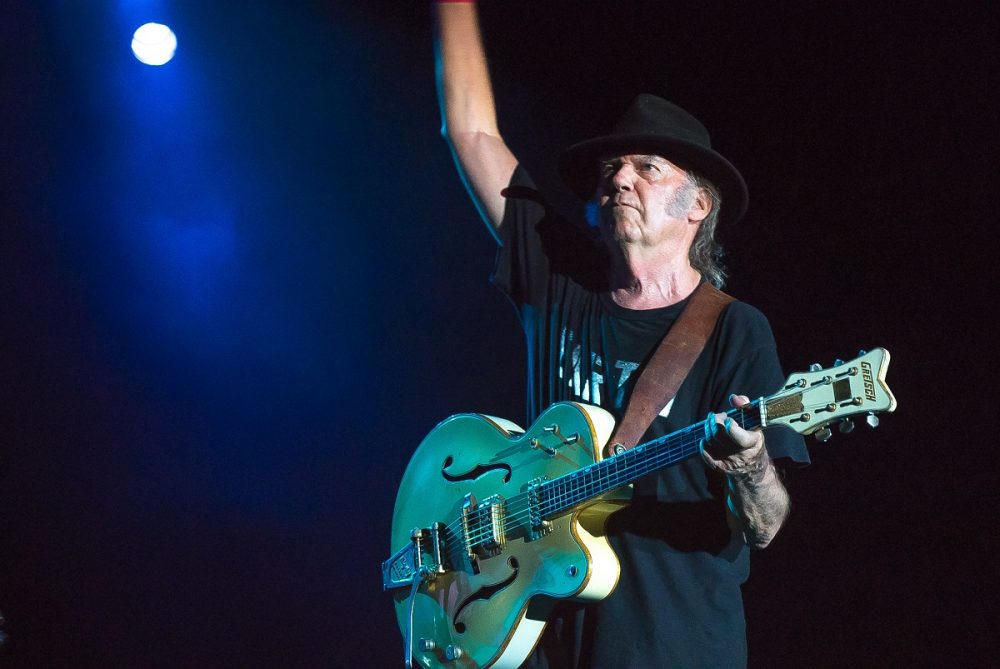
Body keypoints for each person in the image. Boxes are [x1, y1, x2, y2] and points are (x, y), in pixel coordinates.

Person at [433, 2, 810, 667]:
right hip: (550, 646)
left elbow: (766, 523)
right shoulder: (561, 281)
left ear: (698, 206)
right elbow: (471, 131)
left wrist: (750, 461)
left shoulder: (734, 330)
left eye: (647, 167)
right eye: (613, 170)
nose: (620, 178)